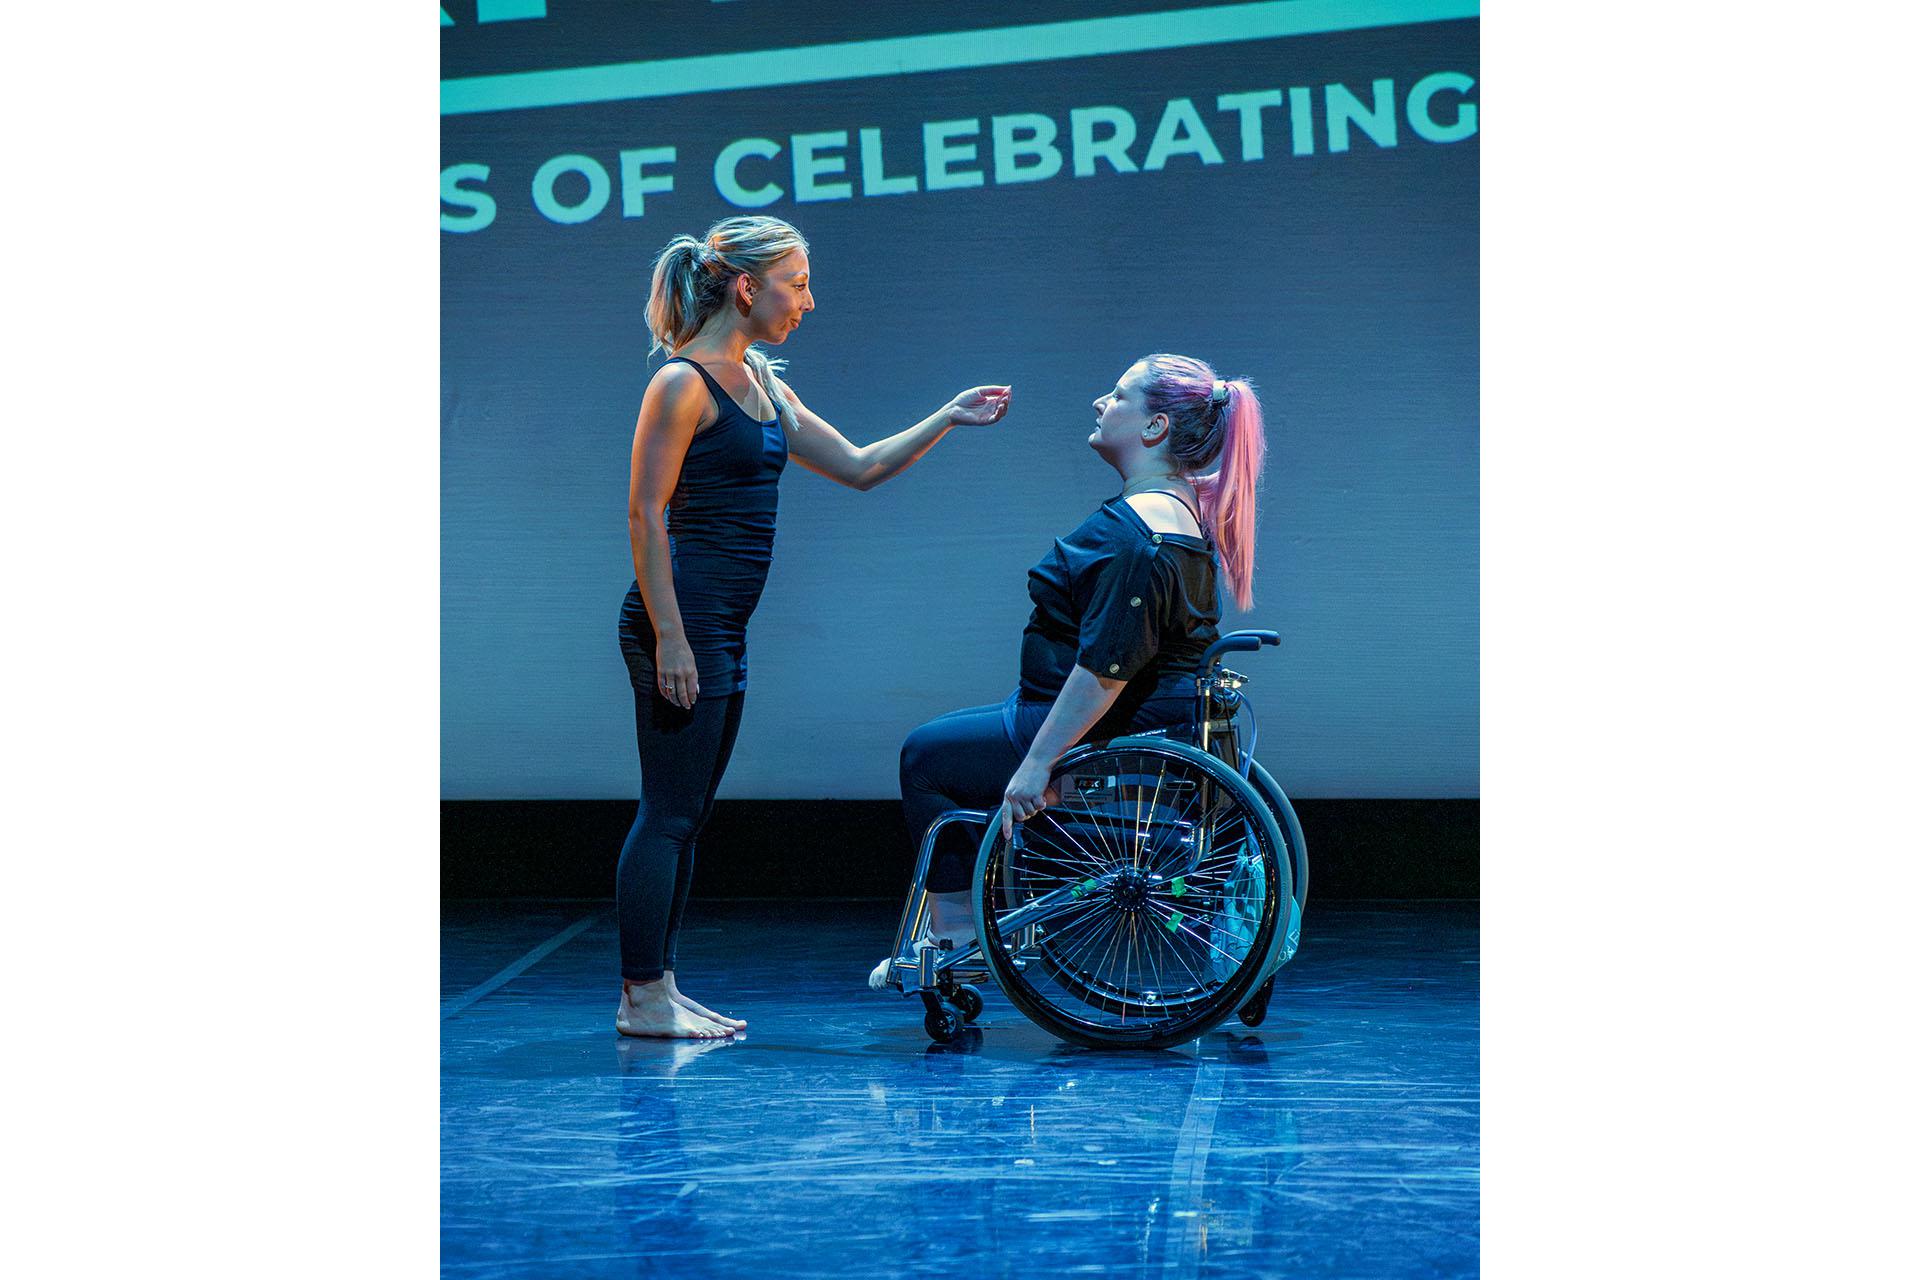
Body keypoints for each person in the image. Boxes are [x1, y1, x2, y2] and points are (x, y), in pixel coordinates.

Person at [617, 216, 1010, 1038]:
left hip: (720, 625)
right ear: (747, 287)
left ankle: (661, 988)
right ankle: (640, 996)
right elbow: (646, 517)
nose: (809, 299)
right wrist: (672, 638)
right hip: (681, 623)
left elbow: (860, 467)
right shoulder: (682, 384)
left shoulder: (761, 382)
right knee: (666, 812)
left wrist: (945, 416)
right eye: (797, 282)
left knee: (685, 817)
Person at [871, 353, 1266, 984]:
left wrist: (1038, 764)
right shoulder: (1178, 515)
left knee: (926, 758)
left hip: (1097, 719)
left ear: (1155, 428)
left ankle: (957, 939)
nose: (1099, 404)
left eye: (1116, 396)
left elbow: (1104, 671)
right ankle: (989, 915)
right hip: (1115, 712)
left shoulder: (1140, 536)